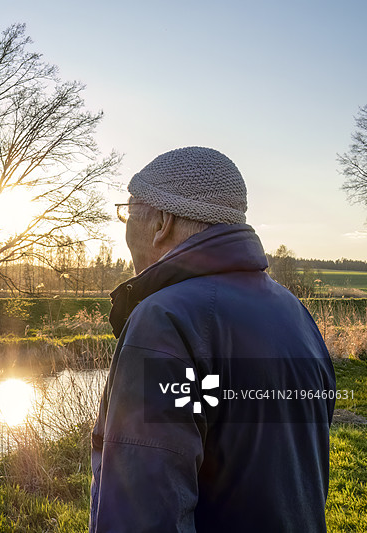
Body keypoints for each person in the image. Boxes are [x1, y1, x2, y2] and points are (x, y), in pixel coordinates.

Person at [89, 146, 335, 532]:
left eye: (128, 210)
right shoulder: (293, 313)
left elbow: (144, 511)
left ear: (161, 222)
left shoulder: (167, 320)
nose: (124, 223)